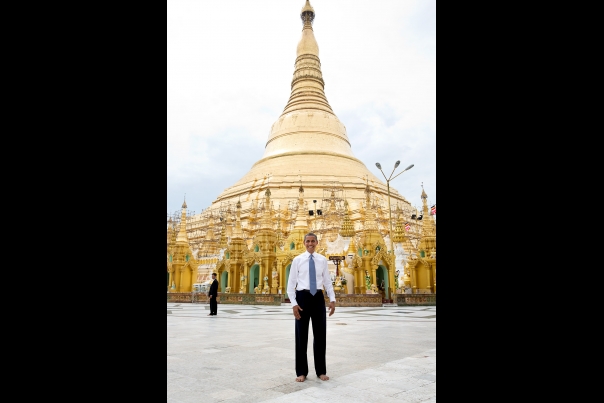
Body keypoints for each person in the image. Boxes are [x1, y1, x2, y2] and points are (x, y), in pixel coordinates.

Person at [287, 232, 336, 383]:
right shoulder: (297, 260)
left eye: (313, 241)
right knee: (301, 336)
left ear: (317, 242)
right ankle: (301, 371)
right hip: (302, 297)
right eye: (307, 241)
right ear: (304, 243)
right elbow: (291, 284)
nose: (310, 244)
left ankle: (321, 370)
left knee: (320, 336)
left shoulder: (322, 260)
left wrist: (332, 299)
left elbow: (327, 281)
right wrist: (294, 304)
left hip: (318, 298)